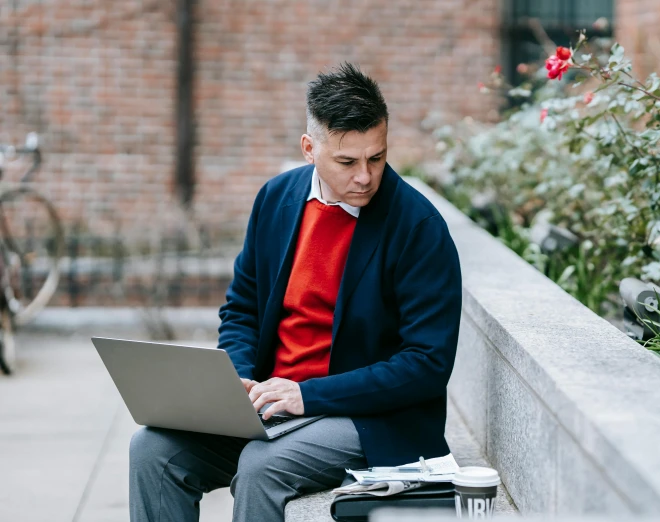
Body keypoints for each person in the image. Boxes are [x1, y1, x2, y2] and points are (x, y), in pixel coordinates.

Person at [128, 63, 462, 522]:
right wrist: (239, 380)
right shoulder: (276, 199)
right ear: (309, 149)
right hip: (272, 403)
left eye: (377, 157)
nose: (365, 176)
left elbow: (427, 364)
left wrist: (309, 395)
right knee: (152, 449)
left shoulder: (418, 227)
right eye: (347, 162)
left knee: (262, 466)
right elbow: (242, 309)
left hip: (368, 418)